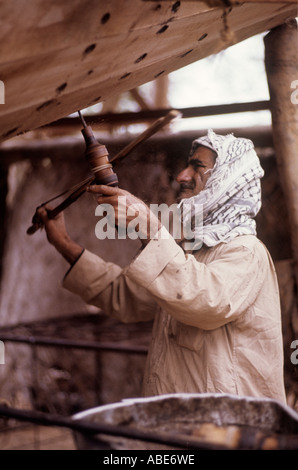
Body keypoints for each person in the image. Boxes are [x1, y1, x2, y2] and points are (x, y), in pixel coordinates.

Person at [37, 129, 287, 403]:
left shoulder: (246, 251)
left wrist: (148, 225)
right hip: (180, 428)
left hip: (228, 434)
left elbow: (206, 301)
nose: (182, 176)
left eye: (197, 167)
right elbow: (125, 296)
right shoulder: (188, 251)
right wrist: (63, 242)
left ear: (226, 180)